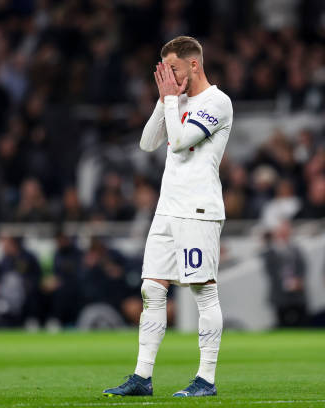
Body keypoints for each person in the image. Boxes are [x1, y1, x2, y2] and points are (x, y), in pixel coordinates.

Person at [103, 36, 233, 398]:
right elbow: (148, 142)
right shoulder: (178, 101)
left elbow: (178, 142)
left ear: (194, 65)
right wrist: (164, 102)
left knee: (203, 293)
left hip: (198, 209)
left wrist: (172, 101)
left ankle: (206, 379)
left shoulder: (217, 102)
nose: (168, 78)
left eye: (173, 69)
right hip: (167, 208)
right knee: (151, 289)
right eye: (164, 72)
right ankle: (142, 377)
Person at [263, 220, 307, 326]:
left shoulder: (295, 249)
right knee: (282, 323)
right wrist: (286, 283)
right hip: (280, 295)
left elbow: (302, 266)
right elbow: (271, 272)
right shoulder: (271, 251)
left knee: (302, 323)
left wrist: (298, 281)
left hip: (297, 294)